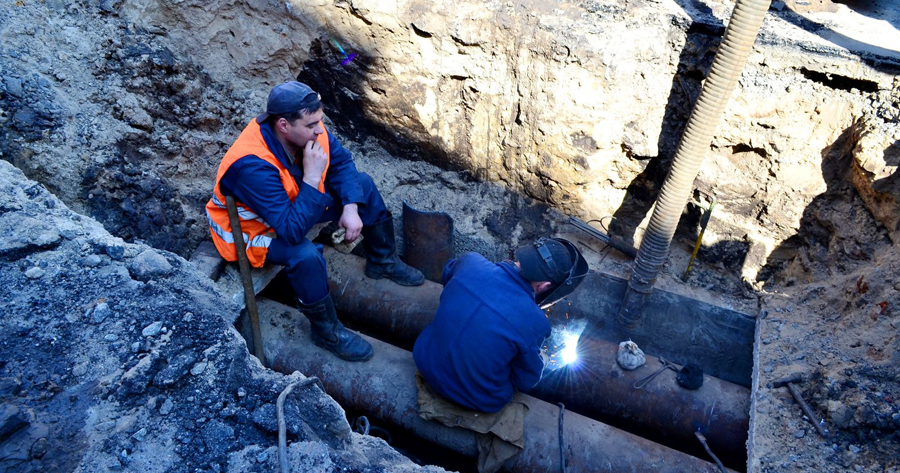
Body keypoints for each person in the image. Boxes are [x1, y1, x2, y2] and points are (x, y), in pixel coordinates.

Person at [206, 81, 424, 362]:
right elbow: (292, 232)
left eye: (319, 121)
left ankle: (382, 262)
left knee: (363, 185)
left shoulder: (307, 129)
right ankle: (326, 331)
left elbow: (343, 163)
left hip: (291, 208)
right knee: (305, 254)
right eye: (312, 125)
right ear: (283, 125)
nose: (320, 130)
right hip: (252, 231)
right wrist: (311, 176)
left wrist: (350, 208)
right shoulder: (251, 165)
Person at [413, 237, 587, 413]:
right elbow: (525, 380)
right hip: (474, 398)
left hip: (424, 360)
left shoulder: (470, 261)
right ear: (544, 286)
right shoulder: (535, 322)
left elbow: (447, 273)